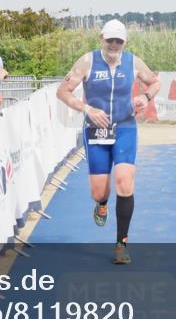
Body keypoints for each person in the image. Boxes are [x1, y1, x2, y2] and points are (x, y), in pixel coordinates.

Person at [56, 19, 161, 265]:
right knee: (99, 191)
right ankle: (101, 204)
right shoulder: (87, 61)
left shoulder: (133, 61)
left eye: (119, 41)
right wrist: (87, 109)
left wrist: (145, 97)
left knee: (125, 183)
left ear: (124, 42)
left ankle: (121, 244)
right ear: (101, 38)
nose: (114, 45)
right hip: (96, 131)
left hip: (125, 127)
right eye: (110, 40)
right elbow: (62, 91)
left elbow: (155, 82)